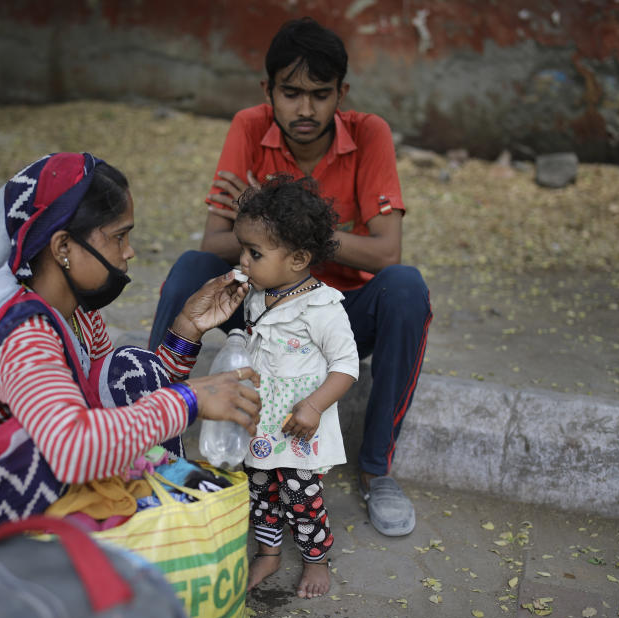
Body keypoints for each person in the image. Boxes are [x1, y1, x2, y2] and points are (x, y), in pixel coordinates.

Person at [0, 152, 261, 612]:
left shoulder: (79, 317)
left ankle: (145, 552)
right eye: (119, 237)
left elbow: (128, 405)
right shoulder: (22, 332)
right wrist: (191, 399)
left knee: (132, 371)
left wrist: (188, 327)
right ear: (63, 246)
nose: (129, 252)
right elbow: (69, 449)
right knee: (31, 447)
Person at [148, 17, 432, 537]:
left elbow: (387, 253)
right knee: (191, 269)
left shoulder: (370, 133)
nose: (305, 109)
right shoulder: (248, 127)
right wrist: (288, 235)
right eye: (292, 93)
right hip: (259, 306)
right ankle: (152, 439)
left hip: (335, 315)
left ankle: (376, 471)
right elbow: (213, 243)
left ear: (341, 93)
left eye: (320, 94)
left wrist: (288, 219)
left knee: (406, 289)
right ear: (268, 91)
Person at [234, 175, 362, 599]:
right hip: (262, 423)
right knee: (260, 491)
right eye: (243, 250)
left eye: (254, 253)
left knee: (301, 496)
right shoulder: (259, 295)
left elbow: (345, 365)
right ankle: (269, 553)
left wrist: (313, 406)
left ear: (298, 258)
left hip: (299, 425)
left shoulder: (321, 306)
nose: (243, 261)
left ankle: (315, 559)